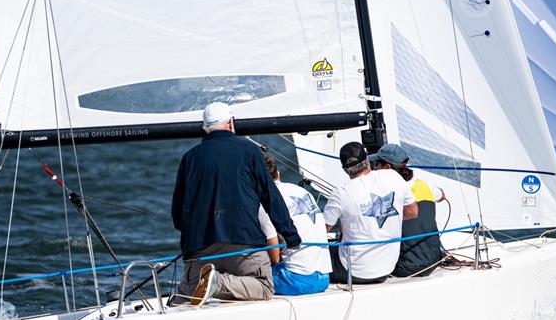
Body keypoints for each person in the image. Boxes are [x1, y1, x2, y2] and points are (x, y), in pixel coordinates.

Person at [171, 102, 300, 306]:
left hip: (199, 249)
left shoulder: (189, 158)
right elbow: (270, 197)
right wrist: (291, 237)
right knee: (265, 287)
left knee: (186, 298)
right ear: (231, 123)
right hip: (244, 245)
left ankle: (189, 293)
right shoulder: (249, 152)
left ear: (205, 127)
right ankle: (218, 282)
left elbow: (177, 213)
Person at [323, 142, 417, 284]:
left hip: (354, 271)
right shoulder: (393, 175)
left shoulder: (341, 192)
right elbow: (412, 211)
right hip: (388, 267)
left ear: (344, 169)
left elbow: (322, 231)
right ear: (367, 160)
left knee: (317, 254)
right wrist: (381, 219)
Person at [256, 155, 332, 295]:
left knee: (248, 275)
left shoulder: (266, 202)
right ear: (278, 174)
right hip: (323, 278)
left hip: (295, 281)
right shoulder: (303, 191)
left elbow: (273, 254)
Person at [371, 143, 445, 277]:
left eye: (376, 164)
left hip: (405, 266)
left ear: (387, 167)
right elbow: (442, 195)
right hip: (434, 261)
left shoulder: (386, 192)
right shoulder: (423, 185)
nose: (373, 168)